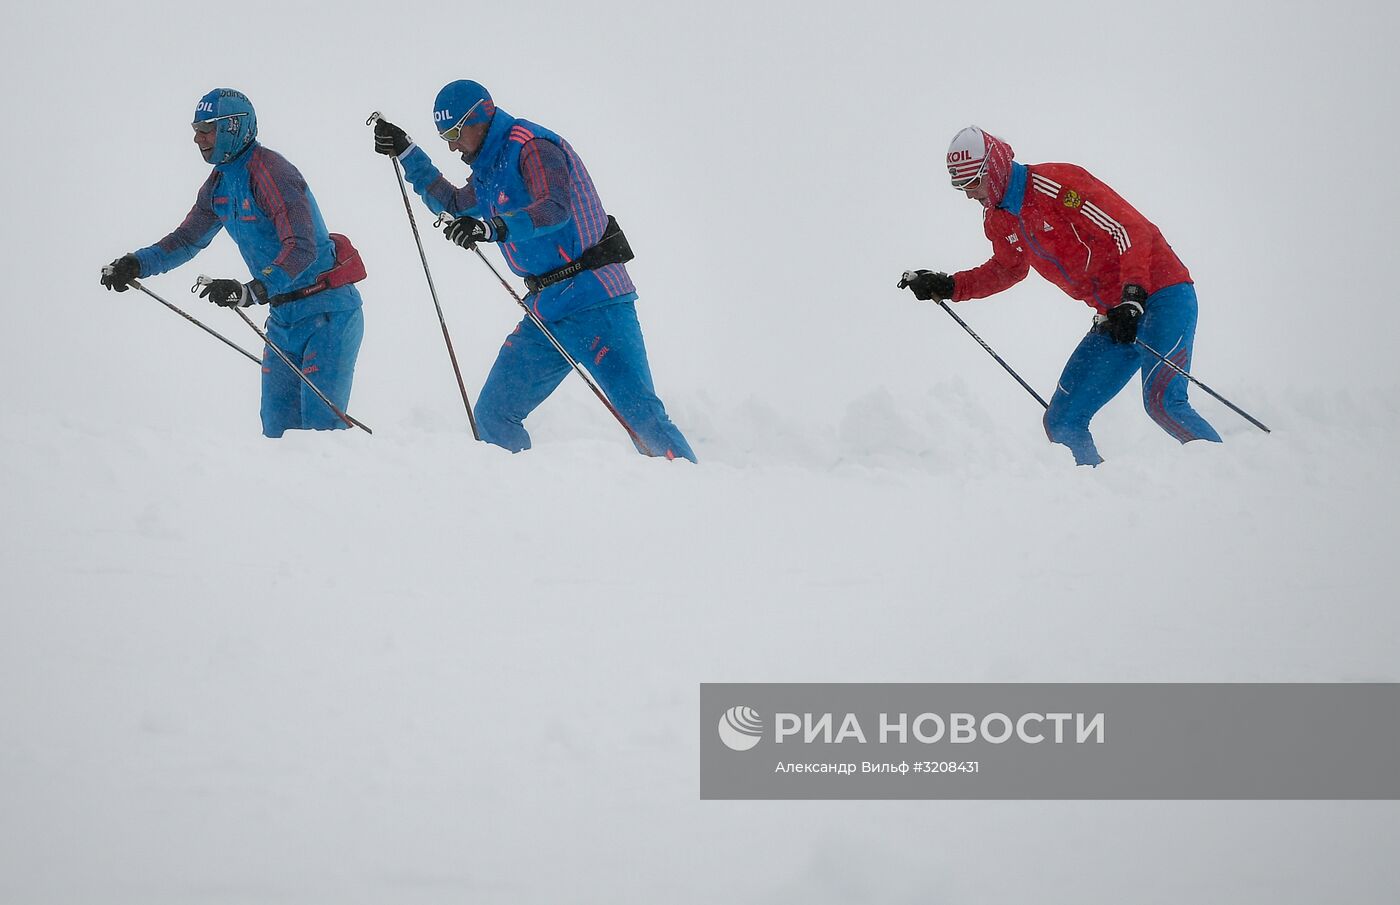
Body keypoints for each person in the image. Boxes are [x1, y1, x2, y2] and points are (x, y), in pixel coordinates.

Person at [371, 80, 695, 462]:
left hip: (596, 301)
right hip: (547, 310)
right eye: (444, 136)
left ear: (481, 117)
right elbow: (458, 204)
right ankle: (520, 505)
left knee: (643, 419)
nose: (452, 145)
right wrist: (408, 153)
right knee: (494, 415)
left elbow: (554, 208)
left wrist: (493, 228)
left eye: (455, 133)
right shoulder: (489, 167)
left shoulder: (532, 147)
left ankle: (694, 499)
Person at [899, 126, 1222, 466]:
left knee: (1163, 402)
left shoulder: (1057, 184)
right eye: (961, 187)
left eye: (972, 183)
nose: (968, 195)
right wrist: (950, 286)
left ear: (992, 169)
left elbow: (1129, 229)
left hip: (1160, 294)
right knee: (1063, 421)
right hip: (1117, 317)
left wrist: (1133, 297)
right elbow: (1008, 269)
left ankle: (1231, 478)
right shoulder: (999, 220)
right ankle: (1095, 498)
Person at [101, 88, 366, 438]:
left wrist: (250, 291)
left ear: (233, 127)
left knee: (321, 430)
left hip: (328, 314)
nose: (198, 138)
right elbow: (186, 239)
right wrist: (137, 264)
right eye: (196, 129)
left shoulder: (273, 172)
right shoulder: (220, 184)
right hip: (284, 320)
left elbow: (303, 248)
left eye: (207, 129)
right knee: (278, 432)